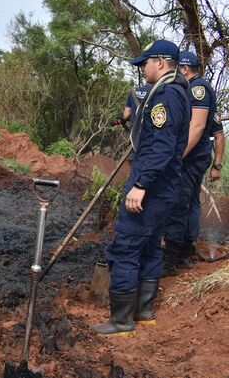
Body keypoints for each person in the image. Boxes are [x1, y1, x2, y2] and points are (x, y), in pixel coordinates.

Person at [91, 40, 190, 336]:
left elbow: (160, 147)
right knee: (149, 246)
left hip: (152, 186)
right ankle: (144, 312)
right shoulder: (177, 92)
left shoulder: (166, 96)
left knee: (126, 246)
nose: (141, 68)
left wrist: (141, 184)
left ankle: (121, 320)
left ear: (160, 62)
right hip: (165, 185)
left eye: (144, 63)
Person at [162, 51, 218, 275]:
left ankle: (172, 258)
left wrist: (178, 155)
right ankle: (185, 251)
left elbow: (197, 127)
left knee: (179, 203)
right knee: (190, 202)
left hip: (192, 156)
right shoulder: (197, 87)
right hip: (197, 156)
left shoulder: (198, 88)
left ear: (184, 69)